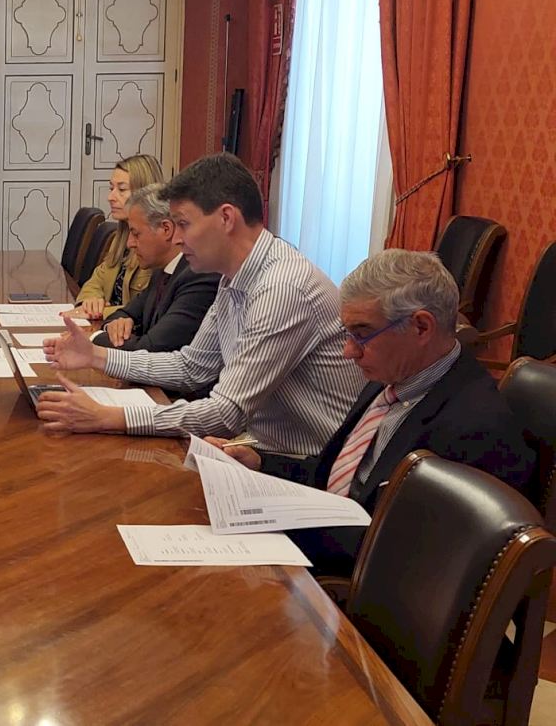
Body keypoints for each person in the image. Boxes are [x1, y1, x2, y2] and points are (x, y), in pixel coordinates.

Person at [215, 249, 534, 575]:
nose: (348, 351)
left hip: (354, 586)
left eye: (362, 334)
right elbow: (331, 479)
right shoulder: (391, 379)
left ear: (421, 327)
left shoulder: (472, 429)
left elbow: (410, 560)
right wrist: (259, 464)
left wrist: (276, 522)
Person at [39, 152, 364, 456]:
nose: (177, 238)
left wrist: (109, 417)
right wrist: (96, 355)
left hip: (310, 465)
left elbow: (225, 413)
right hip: (260, 446)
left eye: (184, 224)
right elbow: (192, 367)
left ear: (226, 218)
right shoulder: (232, 277)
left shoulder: (281, 288)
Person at [93, 184, 220, 353]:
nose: (130, 243)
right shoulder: (162, 270)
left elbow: (150, 349)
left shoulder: (199, 276)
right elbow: (124, 313)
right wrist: (115, 325)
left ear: (166, 229)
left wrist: (95, 337)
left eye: (136, 234)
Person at [70, 154, 161, 320]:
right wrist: (90, 301)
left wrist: (100, 312)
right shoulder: (120, 237)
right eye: (111, 188)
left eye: (122, 189)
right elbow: (96, 280)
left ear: (144, 192)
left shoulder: (156, 246)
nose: (111, 197)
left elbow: (147, 308)